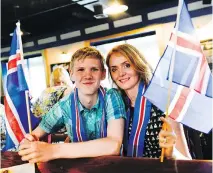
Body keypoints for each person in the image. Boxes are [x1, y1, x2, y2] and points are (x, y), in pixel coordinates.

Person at [18, 47, 126, 163]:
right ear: (71, 74)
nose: (87, 75)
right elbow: (36, 133)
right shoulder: (64, 105)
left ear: (103, 74)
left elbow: (114, 145)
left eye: (94, 69)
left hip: (111, 167)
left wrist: (53, 150)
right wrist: (28, 142)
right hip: (78, 168)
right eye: (80, 69)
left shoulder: (111, 96)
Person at [106, 43, 191, 159]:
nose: (121, 73)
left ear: (138, 65)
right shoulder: (116, 105)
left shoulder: (163, 102)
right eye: (114, 69)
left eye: (126, 65)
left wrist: (171, 153)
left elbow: (186, 159)